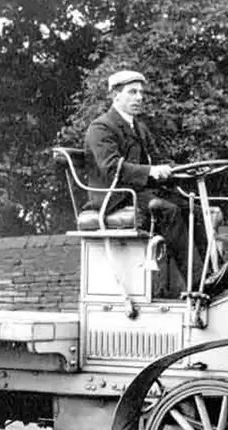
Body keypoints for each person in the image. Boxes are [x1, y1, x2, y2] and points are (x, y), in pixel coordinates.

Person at [83, 69, 207, 290]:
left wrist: (181, 169)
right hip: (114, 197)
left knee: (193, 208)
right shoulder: (101, 127)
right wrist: (151, 171)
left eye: (141, 92)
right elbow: (112, 168)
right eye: (132, 92)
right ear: (115, 96)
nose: (139, 97)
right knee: (166, 209)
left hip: (138, 193)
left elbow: (159, 160)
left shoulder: (139, 128)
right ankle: (197, 282)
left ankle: (213, 272)